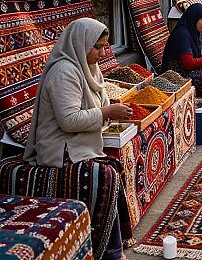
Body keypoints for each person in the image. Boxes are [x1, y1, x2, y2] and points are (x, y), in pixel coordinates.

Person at [24, 18, 133, 259]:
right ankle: (111, 251)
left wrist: (111, 110)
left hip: (82, 142)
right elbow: (69, 121)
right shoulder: (64, 71)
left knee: (114, 166)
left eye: (105, 46)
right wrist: (106, 113)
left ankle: (115, 245)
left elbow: (100, 105)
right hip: (60, 148)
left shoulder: (89, 67)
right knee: (106, 176)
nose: (103, 53)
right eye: (98, 47)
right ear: (80, 43)